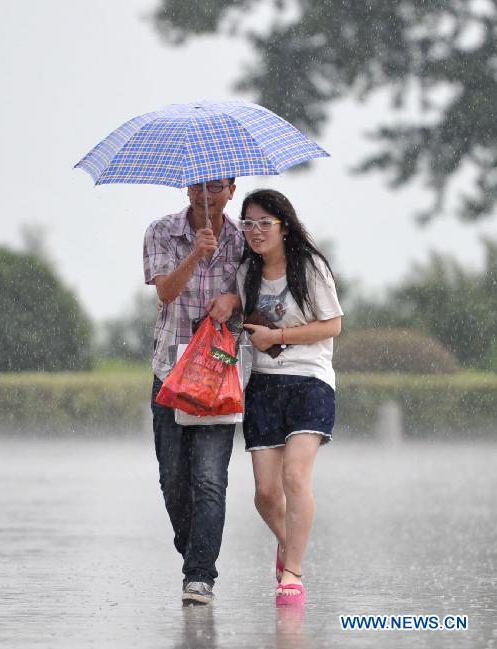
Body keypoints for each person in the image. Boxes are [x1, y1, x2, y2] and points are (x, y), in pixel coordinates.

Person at [236, 189, 343, 606]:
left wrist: (277, 336)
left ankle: (293, 573)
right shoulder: (246, 274)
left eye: (265, 223)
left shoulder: (310, 267)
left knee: (295, 477)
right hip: (262, 385)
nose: (256, 232)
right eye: (248, 224)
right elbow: (238, 317)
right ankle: (288, 543)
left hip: (310, 381)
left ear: (284, 225)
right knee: (265, 494)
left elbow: (332, 325)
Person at [143, 178, 244, 605]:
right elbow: (165, 291)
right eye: (201, 186)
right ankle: (195, 552)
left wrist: (233, 301)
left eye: (218, 187)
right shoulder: (161, 231)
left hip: (218, 375)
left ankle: (200, 576)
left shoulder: (243, 239)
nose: (209, 194)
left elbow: (255, 293)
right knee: (173, 480)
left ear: (232, 190)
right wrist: (195, 255)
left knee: (208, 479)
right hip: (170, 372)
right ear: (187, 190)